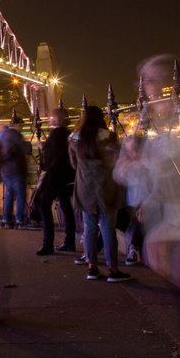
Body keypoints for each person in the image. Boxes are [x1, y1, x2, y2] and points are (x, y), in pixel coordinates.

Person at [69, 106, 131, 283]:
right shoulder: (109, 137)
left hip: (85, 188)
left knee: (89, 228)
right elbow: (116, 161)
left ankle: (92, 268)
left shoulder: (74, 138)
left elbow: (74, 164)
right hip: (106, 188)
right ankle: (113, 269)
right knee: (108, 228)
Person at [35, 108, 77, 255]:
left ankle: (48, 243)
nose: (48, 119)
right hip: (67, 176)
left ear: (57, 119)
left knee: (43, 203)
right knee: (66, 207)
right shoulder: (68, 134)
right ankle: (69, 241)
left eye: (51, 117)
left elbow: (51, 155)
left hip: (55, 176)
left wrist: (42, 147)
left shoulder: (56, 133)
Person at [0, 114, 30, 228]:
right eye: (21, 125)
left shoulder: (2, 135)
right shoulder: (16, 135)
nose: (22, 127)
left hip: (5, 169)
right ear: (16, 125)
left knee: (9, 194)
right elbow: (26, 149)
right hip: (17, 169)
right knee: (21, 195)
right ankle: (19, 219)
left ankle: (6, 219)